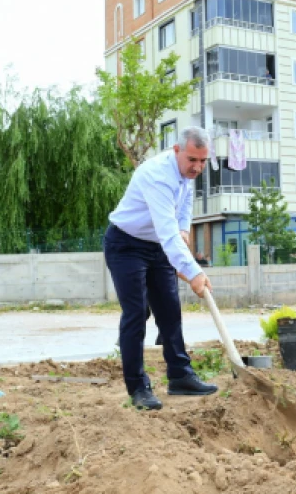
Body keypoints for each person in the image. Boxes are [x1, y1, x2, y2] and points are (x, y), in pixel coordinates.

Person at [105, 126, 218, 410]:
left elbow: (184, 206)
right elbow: (167, 235)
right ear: (177, 150)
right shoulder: (157, 175)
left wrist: (184, 229)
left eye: (203, 161)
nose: (198, 167)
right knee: (135, 314)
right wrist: (194, 272)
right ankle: (138, 387)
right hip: (126, 245)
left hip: (156, 246)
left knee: (169, 310)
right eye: (193, 159)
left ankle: (180, 376)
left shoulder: (185, 173)